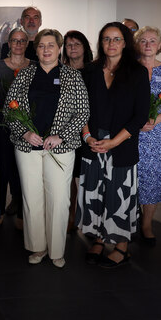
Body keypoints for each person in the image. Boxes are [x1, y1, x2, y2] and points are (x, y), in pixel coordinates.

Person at [6, 29, 89, 268]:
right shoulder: (23, 75)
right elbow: (9, 110)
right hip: (27, 146)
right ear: (36, 48)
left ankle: (56, 250)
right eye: (42, 45)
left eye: (51, 45)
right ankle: (38, 247)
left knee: (59, 199)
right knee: (32, 197)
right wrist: (24, 132)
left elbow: (83, 112)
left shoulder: (72, 76)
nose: (46, 50)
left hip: (60, 148)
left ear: (59, 47)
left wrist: (60, 136)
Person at [76, 22, 149, 268]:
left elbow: (140, 115)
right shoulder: (89, 71)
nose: (111, 44)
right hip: (93, 143)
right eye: (106, 39)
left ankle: (121, 246)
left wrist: (114, 142)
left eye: (116, 39)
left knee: (120, 196)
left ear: (125, 42)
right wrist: (87, 137)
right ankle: (97, 239)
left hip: (122, 146)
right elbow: (80, 110)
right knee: (94, 194)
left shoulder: (137, 72)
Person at [134, 26, 161, 246]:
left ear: (160, 45)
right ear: (137, 44)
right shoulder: (129, 69)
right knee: (131, 177)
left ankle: (147, 223)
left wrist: (157, 119)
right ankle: (129, 219)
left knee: (153, 178)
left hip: (159, 134)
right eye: (143, 40)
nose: (148, 44)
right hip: (131, 133)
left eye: (153, 40)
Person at [0, 28, 32, 226]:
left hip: (28, 127)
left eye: (22, 41)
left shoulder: (34, 66)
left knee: (24, 170)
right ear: (8, 44)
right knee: (4, 168)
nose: (18, 44)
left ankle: (21, 214)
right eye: (14, 41)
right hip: (4, 125)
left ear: (27, 44)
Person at [61, 29, 93, 233]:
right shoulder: (60, 71)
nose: (72, 48)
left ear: (85, 48)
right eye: (69, 45)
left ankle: (89, 219)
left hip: (89, 131)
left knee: (87, 176)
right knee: (69, 175)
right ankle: (72, 215)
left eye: (76, 44)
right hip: (66, 132)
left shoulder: (94, 72)